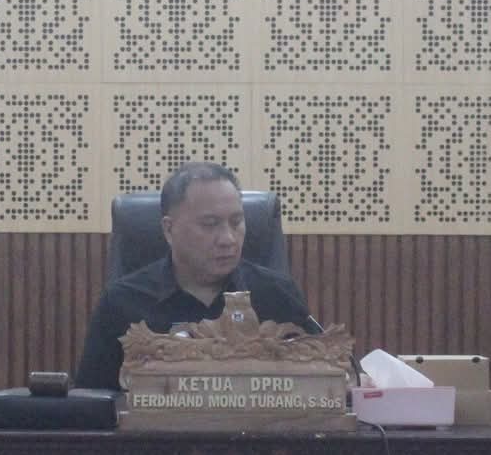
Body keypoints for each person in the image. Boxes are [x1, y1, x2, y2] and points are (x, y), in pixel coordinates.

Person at [75, 163, 318, 391]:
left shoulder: (278, 295)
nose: (228, 239)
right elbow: (92, 402)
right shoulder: (122, 302)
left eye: (236, 222)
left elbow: (317, 384)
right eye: (210, 224)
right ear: (169, 229)